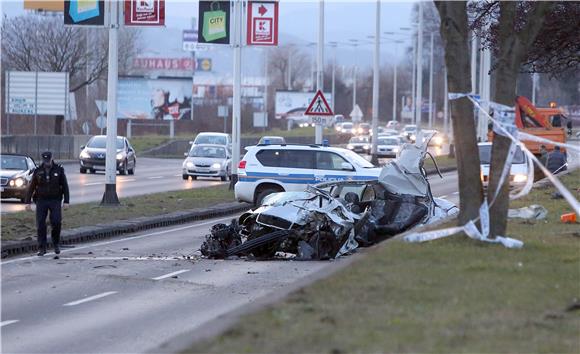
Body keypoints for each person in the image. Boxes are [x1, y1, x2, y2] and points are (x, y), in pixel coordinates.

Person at [25, 151, 69, 256]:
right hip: (41, 200)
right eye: (45, 161)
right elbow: (31, 187)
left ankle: (56, 243)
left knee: (56, 222)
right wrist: (27, 202)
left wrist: (66, 201)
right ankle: (42, 248)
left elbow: (65, 186)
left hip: (55, 200)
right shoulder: (38, 171)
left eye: (48, 160)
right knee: (40, 224)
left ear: (51, 158)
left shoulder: (59, 169)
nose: (47, 163)